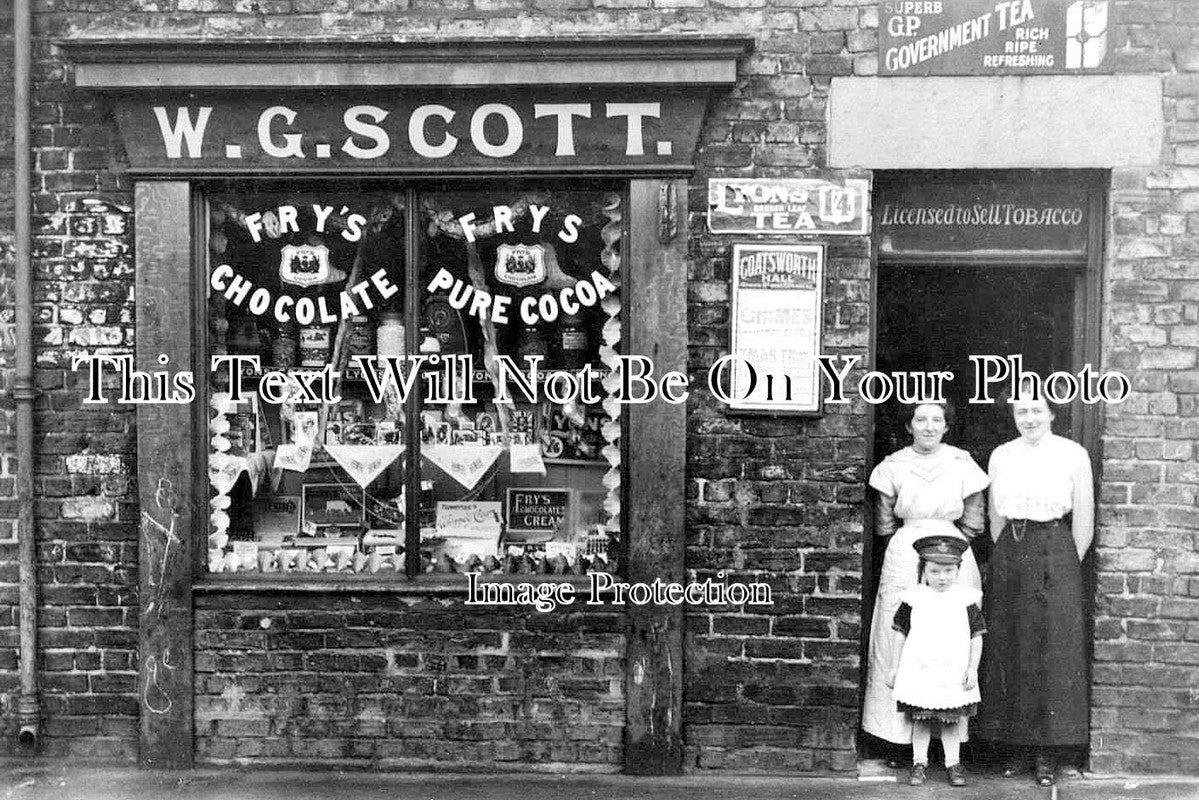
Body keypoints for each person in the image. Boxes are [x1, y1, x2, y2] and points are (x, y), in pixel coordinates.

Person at [977, 388, 1094, 786]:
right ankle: (1015, 746)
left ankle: (1048, 752)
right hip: (1012, 547)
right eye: (1021, 411)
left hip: (1054, 548)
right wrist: (1011, 551)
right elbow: (994, 517)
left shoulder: (1072, 453)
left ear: (1051, 414)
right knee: (1011, 643)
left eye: (1036, 410)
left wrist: (1060, 562)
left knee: (1051, 649)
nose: (1029, 418)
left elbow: (1084, 521)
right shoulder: (1002, 454)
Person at [863, 402, 989, 758]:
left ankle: (947, 740)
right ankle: (895, 737)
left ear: (947, 426)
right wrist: (909, 540)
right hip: (906, 551)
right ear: (909, 426)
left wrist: (948, 541)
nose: (929, 426)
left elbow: (974, 518)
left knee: (952, 631)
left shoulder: (962, 463)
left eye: (937, 420)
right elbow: (885, 521)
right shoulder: (893, 465)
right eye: (921, 419)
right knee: (899, 629)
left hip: (952, 549)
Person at [887, 535, 986, 787]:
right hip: (920, 669)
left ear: (958, 570)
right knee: (921, 718)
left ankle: (953, 762)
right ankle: (919, 762)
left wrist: (972, 668)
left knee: (950, 720)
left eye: (948, 571)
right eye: (934, 571)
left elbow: (976, 637)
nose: (942, 577)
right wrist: (894, 667)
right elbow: (900, 633)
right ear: (924, 570)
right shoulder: (914, 599)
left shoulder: (965, 600)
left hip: (951, 671)